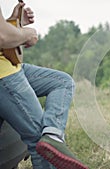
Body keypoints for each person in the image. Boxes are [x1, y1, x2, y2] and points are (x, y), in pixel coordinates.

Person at [0, 2, 88, 169]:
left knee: (62, 82)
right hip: (3, 74)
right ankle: (49, 143)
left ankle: (53, 137)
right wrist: (26, 34)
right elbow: (2, 36)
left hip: (10, 66)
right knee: (38, 141)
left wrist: (15, 23)